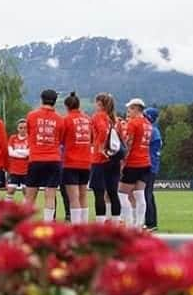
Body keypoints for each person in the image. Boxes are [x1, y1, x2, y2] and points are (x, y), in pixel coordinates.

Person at [25, 89, 65, 221]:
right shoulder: (60, 119)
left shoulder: (31, 116)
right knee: (50, 194)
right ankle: (48, 223)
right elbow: (60, 140)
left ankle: (25, 223)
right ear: (55, 101)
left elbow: (30, 134)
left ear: (41, 99)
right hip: (53, 159)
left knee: (30, 195)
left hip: (35, 158)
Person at [119, 98, 153, 227]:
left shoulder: (133, 123)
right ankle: (139, 224)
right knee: (139, 195)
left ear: (136, 109)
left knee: (121, 194)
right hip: (146, 162)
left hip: (133, 163)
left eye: (130, 109)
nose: (128, 111)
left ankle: (129, 223)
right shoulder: (148, 124)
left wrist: (123, 162)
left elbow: (129, 143)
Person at [90, 93, 123, 223]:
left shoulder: (98, 116)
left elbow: (103, 131)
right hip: (114, 160)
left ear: (100, 104)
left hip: (100, 159)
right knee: (113, 193)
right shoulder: (115, 119)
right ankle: (115, 223)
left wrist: (100, 148)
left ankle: (100, 226)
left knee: (99, 193)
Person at [61, 92, 92, 224]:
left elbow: (60, 140)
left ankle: (76, 227)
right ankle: (84, 225)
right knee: (83, 196)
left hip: (71, 162)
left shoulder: (66, 120)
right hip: (86, 162)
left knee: (73, 197)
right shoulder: (87, 119)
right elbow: (92, 139)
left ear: (67, 106)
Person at [143, 107, 162, 231]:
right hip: (153, 166)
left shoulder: (152, 131)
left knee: (146, 195)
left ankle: (150, 223)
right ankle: (152, 222)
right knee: (149, 195)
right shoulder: (155, 131)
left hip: (149, 166)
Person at [6, 119, 29, 201]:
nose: (23, 129)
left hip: (26, 170)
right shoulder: (12, 138)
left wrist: (17, 151)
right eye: (21, 128)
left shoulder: (30, 139)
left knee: (26, 192)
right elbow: (10, 153)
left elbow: (29, 153)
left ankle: (25, 211)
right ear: (17, 128)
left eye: (25, 128)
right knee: (10, 191)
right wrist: (23, 153)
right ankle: (7, 209)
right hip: (14, 170)